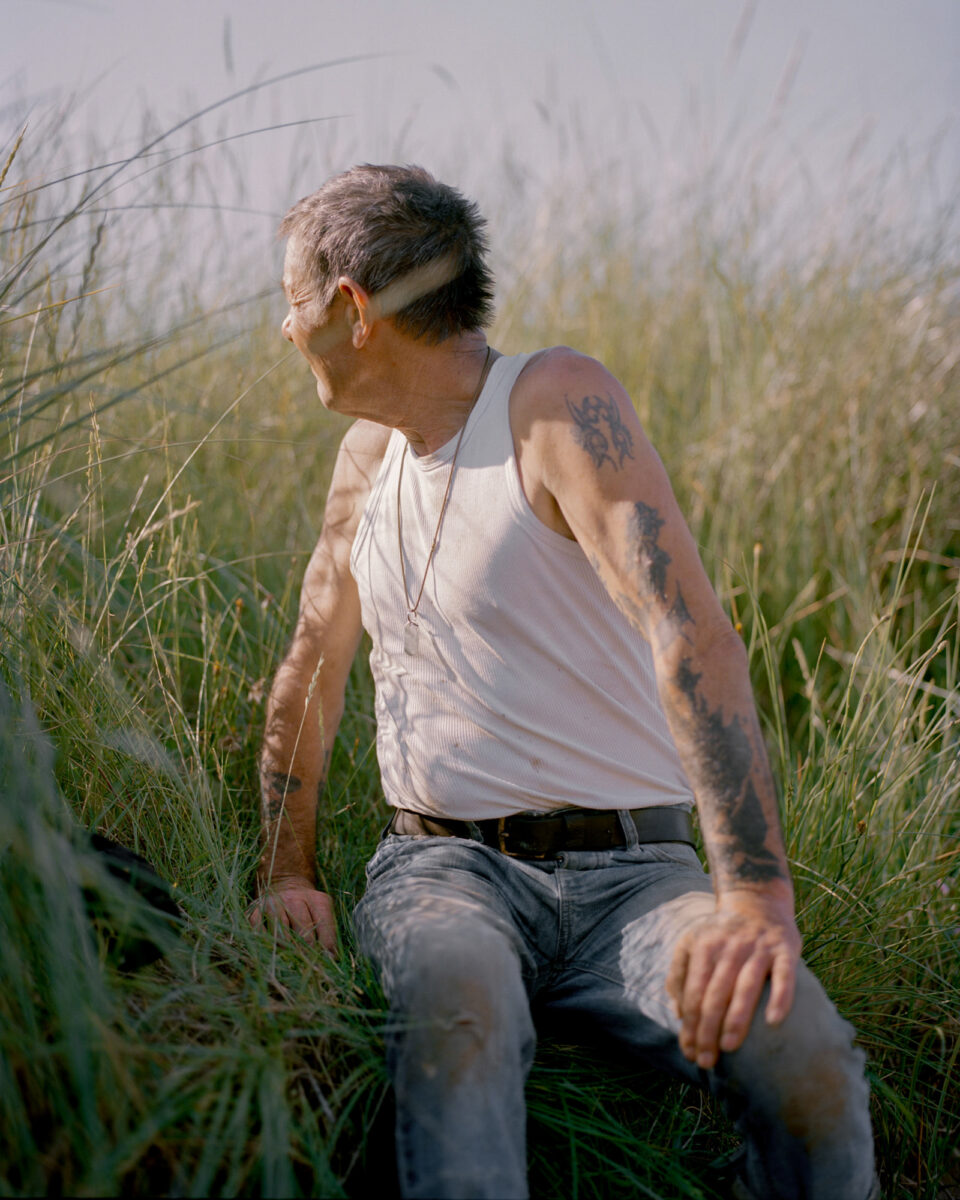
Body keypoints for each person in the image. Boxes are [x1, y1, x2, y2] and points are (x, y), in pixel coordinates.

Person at [250, 164, 877, 1200]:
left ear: (353, 310)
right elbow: (311, 672)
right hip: (442, 874)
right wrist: (286, 875)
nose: (285, 329)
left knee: (802, 1053)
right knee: (459, 1013)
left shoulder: (554, 403)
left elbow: (694, 636)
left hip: (639, 881)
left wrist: (756, 899)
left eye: (292, 301)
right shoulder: (365, 461)